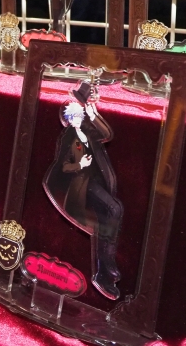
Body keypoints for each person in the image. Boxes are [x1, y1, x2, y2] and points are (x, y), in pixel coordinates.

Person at [43, 81, 123, 300]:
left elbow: (107, 133)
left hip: (95, 182)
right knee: (113, 210)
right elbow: (63, 166)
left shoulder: (89, 130)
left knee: (111, 215)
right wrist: (80, 164)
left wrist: (94, 114)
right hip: (80, 185)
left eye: (82, 111)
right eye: (77, 112)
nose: (80, 116)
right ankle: (106, 264)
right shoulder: (68, 137)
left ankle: (105, 267)